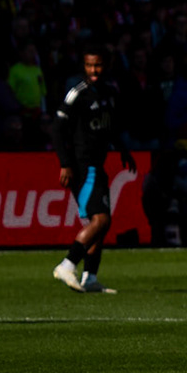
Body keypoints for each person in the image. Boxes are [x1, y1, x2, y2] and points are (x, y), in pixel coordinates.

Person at [51, 47, 135, 294]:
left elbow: (110, 128)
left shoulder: (109, 92)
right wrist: (65, 163)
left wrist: (123, 150)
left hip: (98, 164)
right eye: (89, 66)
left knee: (102, 223)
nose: (94, 70)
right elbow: (56, 129)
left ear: (105, 64)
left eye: (97, 65)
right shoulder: (78, 93)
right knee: (100, 220)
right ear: (84, 66)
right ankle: (67, 264)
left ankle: (90, 277)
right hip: (83, 166)